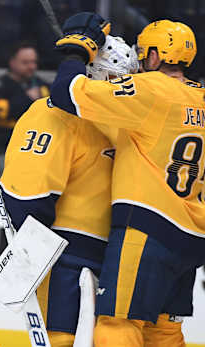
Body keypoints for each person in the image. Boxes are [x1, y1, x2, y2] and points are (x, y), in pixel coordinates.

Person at [50, 13, 205, 346]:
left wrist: (77, 50)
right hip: (193, 236)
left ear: (153, 56)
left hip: (149, 229)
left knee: (117, 324)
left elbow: (69, 93)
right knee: (164, 332)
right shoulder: (200, 97)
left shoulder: (152, 89)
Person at [0, 35, 137, 347]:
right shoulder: (56, 115)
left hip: (99, 257)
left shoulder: (121, 120)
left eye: (126, 81)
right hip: (75, 255)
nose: (121, 88)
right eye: (115, 79)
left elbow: (26, 200)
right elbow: (28, 197)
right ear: (93, 74)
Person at [0, 41, 50, 166]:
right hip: (4, 151)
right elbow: (0, 111)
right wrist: (28, 98)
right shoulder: (0, 85)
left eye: (34, 62)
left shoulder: (41, 84)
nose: (32, 66)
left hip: (35, 152)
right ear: (12, 62)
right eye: (25, 62)